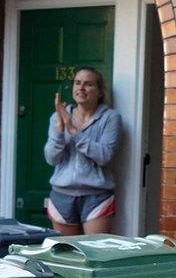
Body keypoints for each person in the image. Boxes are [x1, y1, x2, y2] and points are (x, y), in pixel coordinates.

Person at [44, 67, 120, 235]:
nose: (81, 88)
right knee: (66, 255)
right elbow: (51, 158)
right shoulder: (58, 117)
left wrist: (73, 131)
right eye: (77, 83)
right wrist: (59, 130)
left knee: (95, 252)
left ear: (100, 92)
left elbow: (105, 156)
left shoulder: (110, 118)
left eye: (88, 84)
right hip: (61, 194)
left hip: (96, 196)